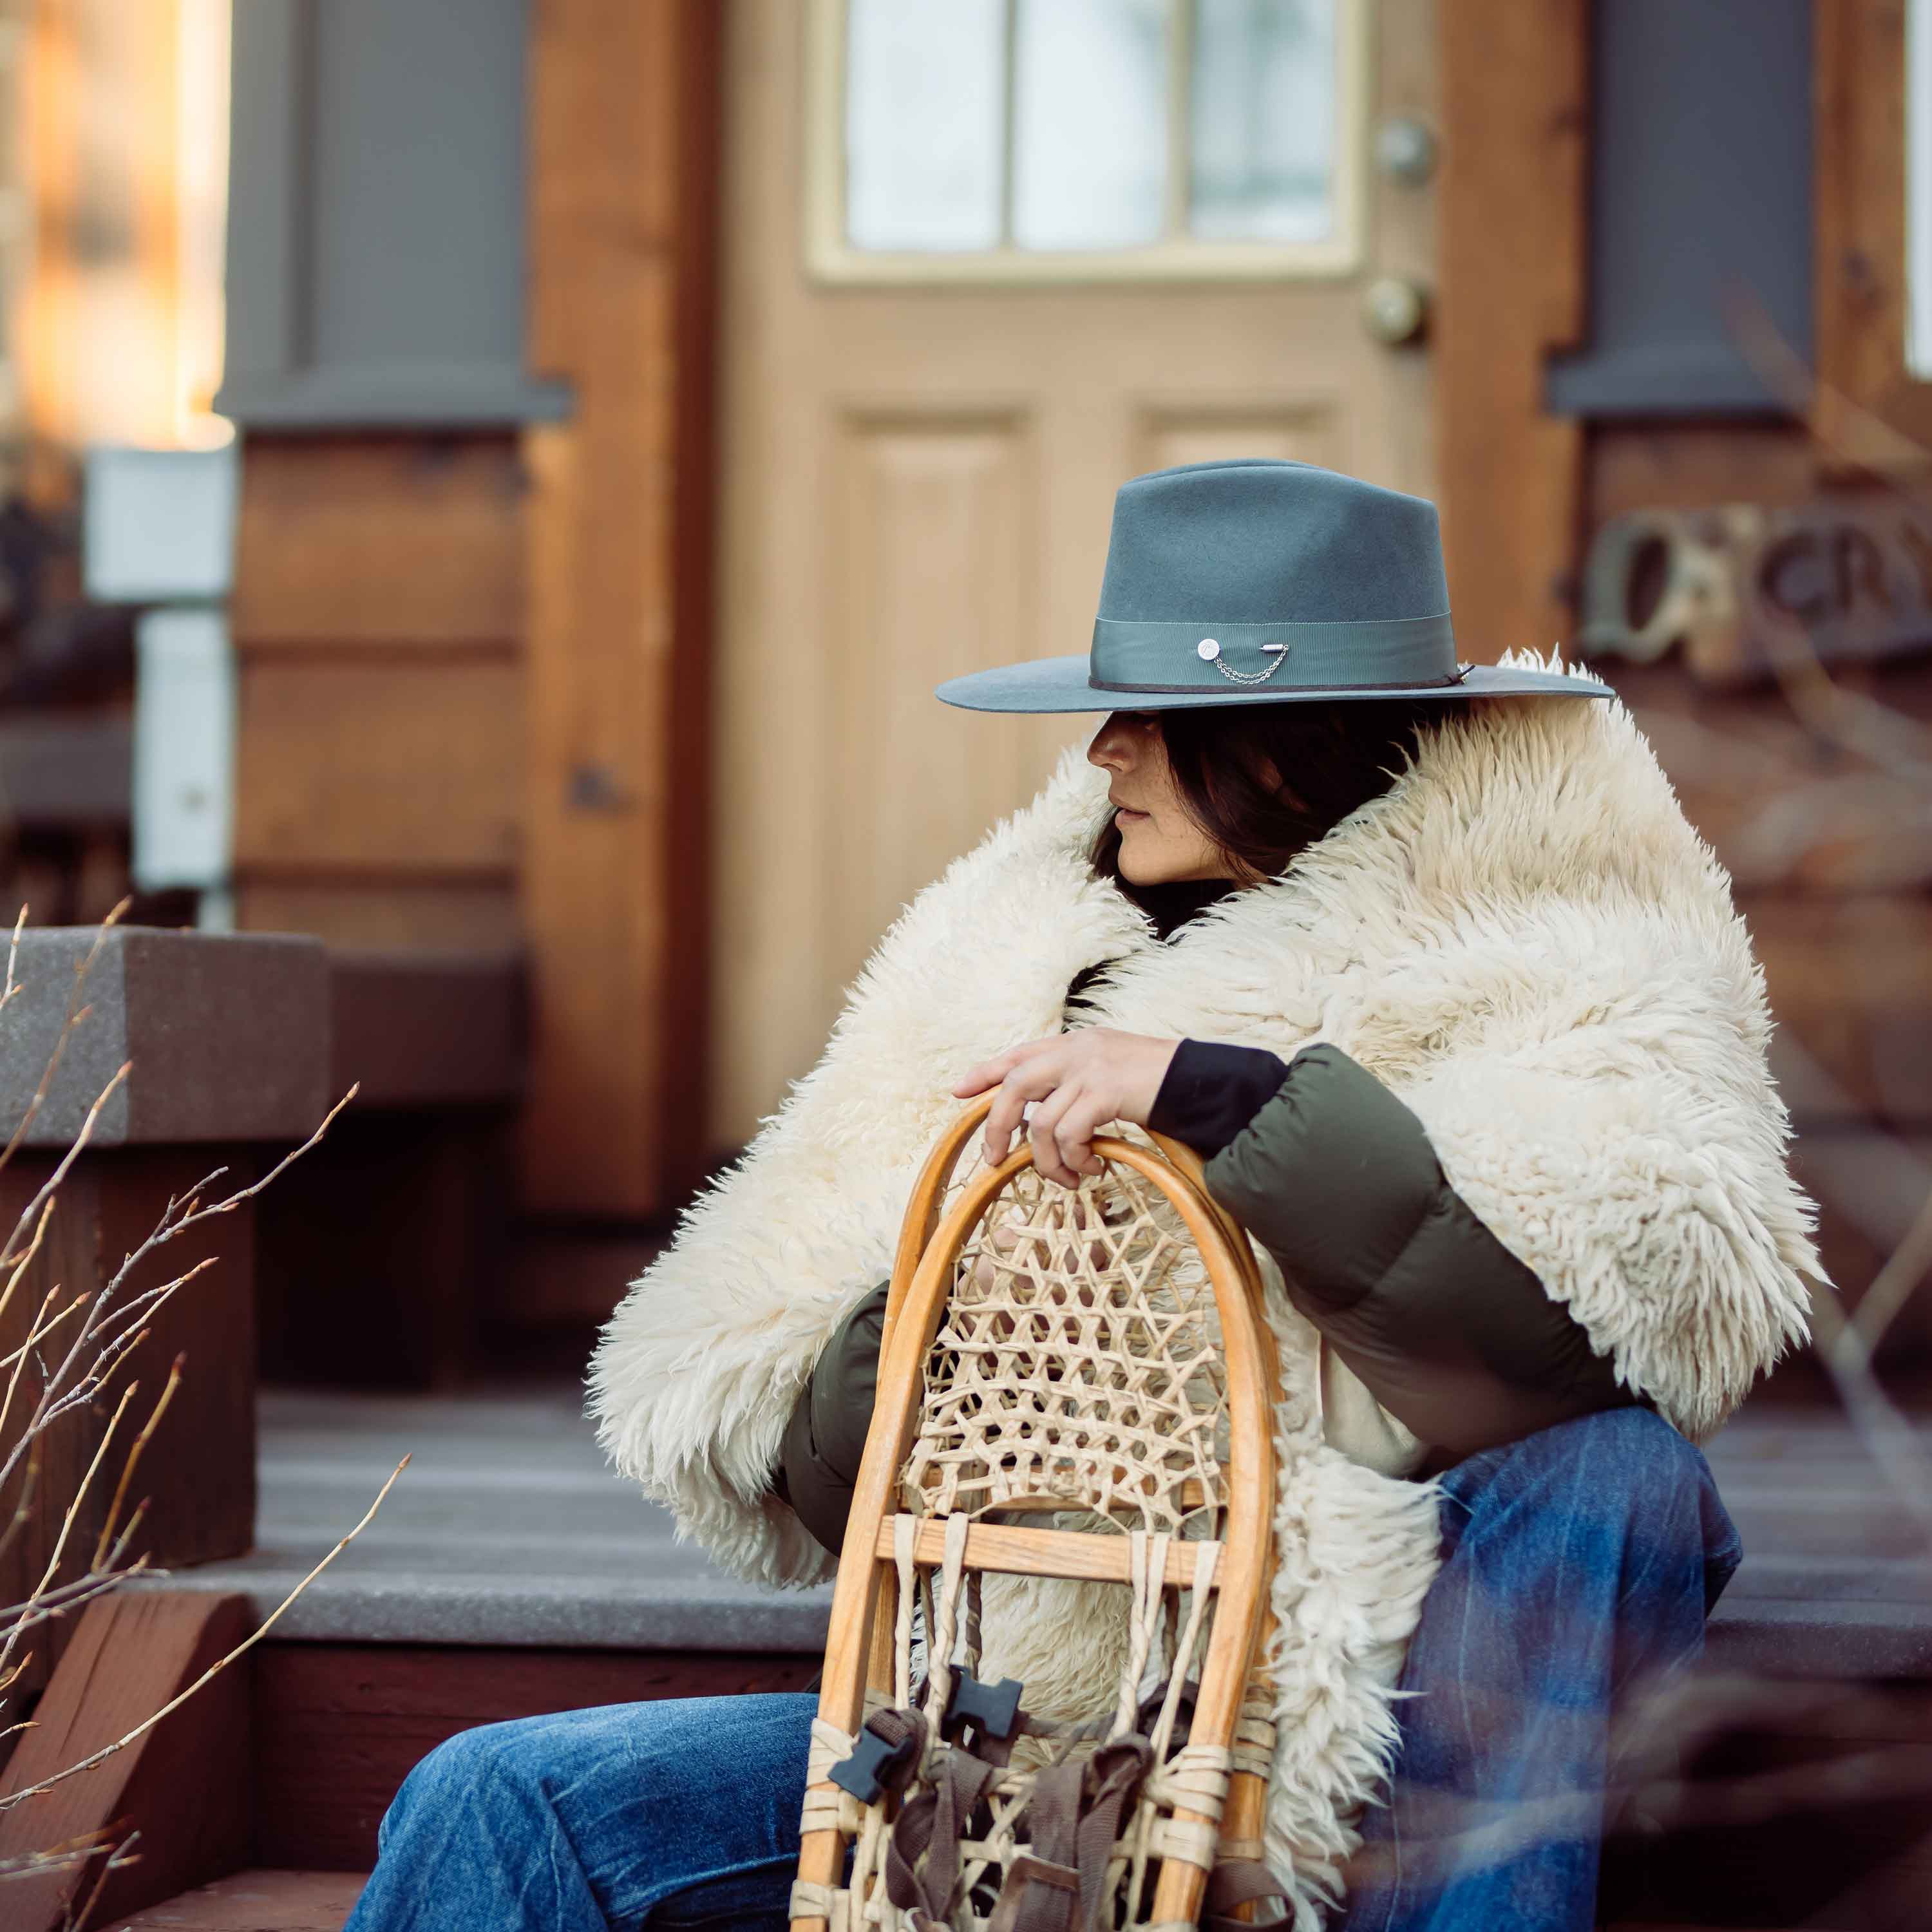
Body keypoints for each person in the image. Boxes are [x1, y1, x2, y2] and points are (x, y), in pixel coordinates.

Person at [345, 460, 1824, 1932]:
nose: (1103, 752)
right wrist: (966, 1272)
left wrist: (1229, 1101)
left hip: (1353, 1728)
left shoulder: (1564, 954)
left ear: (1280, 745)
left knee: (1617, 1475)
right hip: (1020, 1740)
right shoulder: (1017, 958)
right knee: (494, 1798)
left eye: (1151, 718)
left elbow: (1562, 1359)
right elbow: (820, 1479)